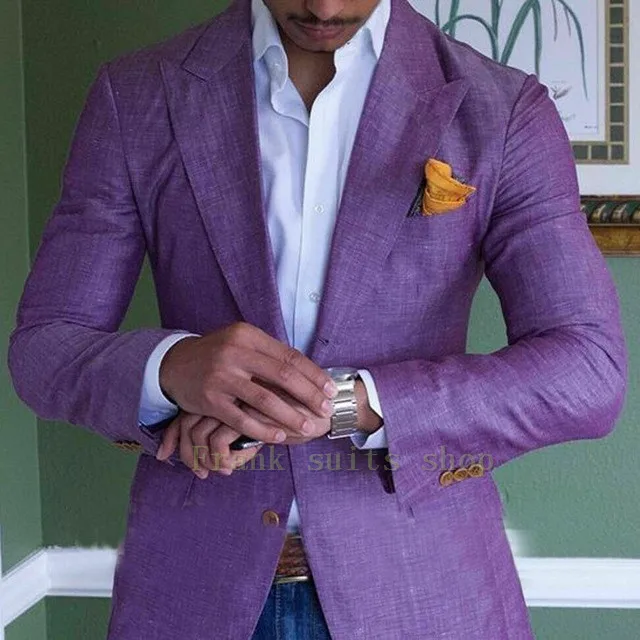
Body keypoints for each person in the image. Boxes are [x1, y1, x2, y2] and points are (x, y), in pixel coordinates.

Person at [8, 0, 627, 637]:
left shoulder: (503, 109)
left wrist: (345, 404)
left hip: (427, 594)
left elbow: (589, 369)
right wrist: (173, 369)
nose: (324, 7)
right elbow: (44, 349)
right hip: (191, 593)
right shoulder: (138, 95)